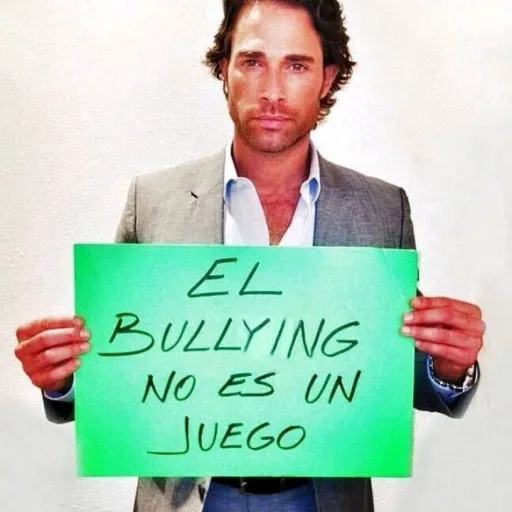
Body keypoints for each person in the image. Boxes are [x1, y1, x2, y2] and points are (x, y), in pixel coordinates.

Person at [14, 1, 485, 511]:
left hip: (322, 498)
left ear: (327, 77)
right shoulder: (152, 204)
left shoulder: (381, 211)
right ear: (225, 69)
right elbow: (123, 373)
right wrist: (63, 379)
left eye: (296, 65)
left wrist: (449, 366)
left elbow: (391, 378)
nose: (273, 91)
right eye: (254, 61)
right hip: (192, 498)